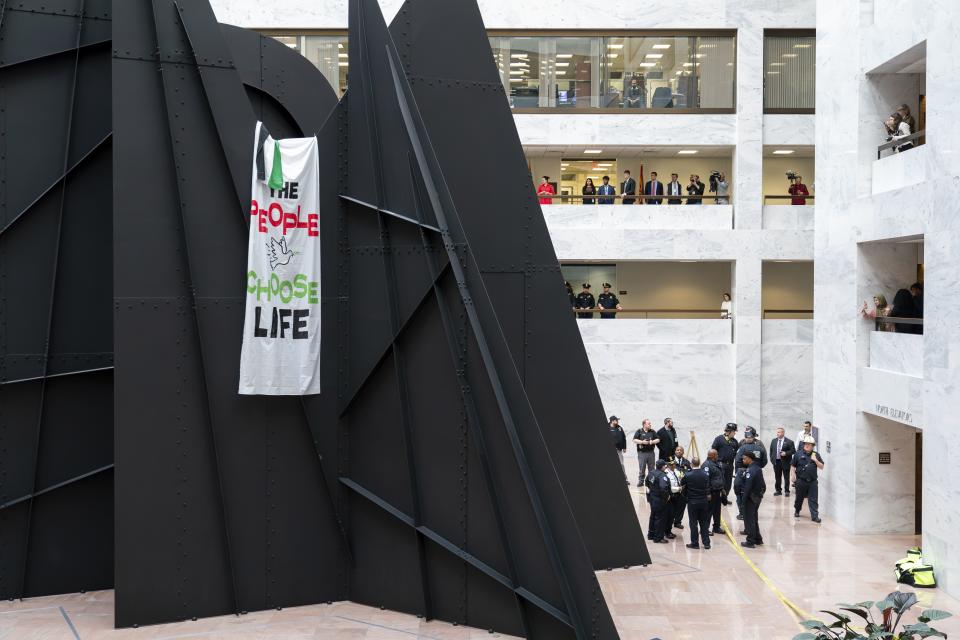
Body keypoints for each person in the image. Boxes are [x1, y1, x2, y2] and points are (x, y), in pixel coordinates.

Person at [734, 426, 767, 520]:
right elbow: (764, 461)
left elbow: (737, 461)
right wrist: (757, 468)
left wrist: (738, 471)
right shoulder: (760, 447)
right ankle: (751, 512)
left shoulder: (743, 447)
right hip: (755, 472)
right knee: (754, 491)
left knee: (740, 492)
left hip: (742, 472)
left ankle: (742, 513)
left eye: (748, 437)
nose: (747, 438)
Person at [681, 458, 713, 549]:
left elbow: (682, 484)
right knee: (704, 523)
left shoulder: (688, 475)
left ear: (691, 464)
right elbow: (708, 487)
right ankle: (706, 543)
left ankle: (695, 543)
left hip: (692, 502)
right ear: (699, 463)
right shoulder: (705, 474)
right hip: (703, 502)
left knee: (693, 523)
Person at [792, 434, 824, 523]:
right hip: (801, 481)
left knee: (813, 499)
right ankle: (797, 510)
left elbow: (821, 467)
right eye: (805, 443)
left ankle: (815, 516)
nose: (806, 445)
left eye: (809, 444)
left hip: (813, 482)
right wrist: (793, 475)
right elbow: (793, 465)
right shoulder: (798, 454)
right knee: (799, 498)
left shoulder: (816, 455)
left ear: (813, 446)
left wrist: (816, 460)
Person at [740, 450, 766, 548]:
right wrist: (760, 495)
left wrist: (743, 501)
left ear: (749, 459)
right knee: (754, 519)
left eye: (744, 458)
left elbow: (748, 487)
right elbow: (763, 485)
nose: (743, 460)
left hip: (750, 498)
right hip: (757, 498)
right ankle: (758, 539)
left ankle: (750, 541)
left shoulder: (750, 470)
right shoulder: (758, 468)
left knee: (749, 520)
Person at [710, 423, 739, 505]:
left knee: (728, 484)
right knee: (720, 482)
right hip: (720, 464)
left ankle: (724, 498)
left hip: (730, 465)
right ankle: (717, 499)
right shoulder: (719, 439)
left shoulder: (735, 442)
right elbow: (713, 451)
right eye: (734, 431)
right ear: (729, 431)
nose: (735, 433)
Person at [645, 460, 672, 543]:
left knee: (653, 516)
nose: (666, 467)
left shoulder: (651, 472)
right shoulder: (662, 476)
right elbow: (663, 488)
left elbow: (646, 483)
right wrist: (666, 497)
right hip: (659, 500)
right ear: (663, 466)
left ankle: (651, 534)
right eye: (665, 466)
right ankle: (658, 538)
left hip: (652, 498)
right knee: (660, 519)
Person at [703, 449, 726, 534]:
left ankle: (716, 527)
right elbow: (706, 481)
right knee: (708, 512)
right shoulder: (706, 465)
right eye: (716, 455)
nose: (717, 456)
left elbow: (719, 477)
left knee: (717, 511)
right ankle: (705, 529)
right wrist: (708, 493)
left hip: (717, 491)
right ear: (712, 456)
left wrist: (722, 488)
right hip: (711, 493)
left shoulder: (716, 463)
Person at [769, 427, 796, 496]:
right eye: (777, 432)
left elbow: (793, 451)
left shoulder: (789, 442)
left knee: (786, 477)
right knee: (777, 477)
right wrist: (772, 459)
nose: (778, 433)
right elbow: (771, 451)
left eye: (780, 432)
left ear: (783, 433)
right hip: (776, 462)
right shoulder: (773, 441)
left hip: (785, 462)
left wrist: (786, 453)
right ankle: (778, 490)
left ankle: (787, 491)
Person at [633, 419, 660, 488]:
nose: (650, 425)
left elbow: (658, 439)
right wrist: (642, 442)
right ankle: (641, 481)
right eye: (649, 424)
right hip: (642, 453)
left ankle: (651, 481)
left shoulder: (652, 431)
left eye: (650, 423)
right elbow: (634, 440)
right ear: (644, 424)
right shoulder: (639, 431)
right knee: (642, 468)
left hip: (651, 453)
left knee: (651, 468)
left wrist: (653, 441)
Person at [671, 446, 691, 529]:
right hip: (673, 487)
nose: (679, 451)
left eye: (680, 450)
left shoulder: (686, 462)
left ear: (683, 452)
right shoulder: (670, 460)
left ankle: (678, 522)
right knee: (672, 505)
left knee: (681, 506)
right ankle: (670, 520)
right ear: (675, 451)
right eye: (677, 450)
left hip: (683, 488)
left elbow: (689, 472)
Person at [663, 459, 682, 538]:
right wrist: (679, 488)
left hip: (677, 496)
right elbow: (670, 487)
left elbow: (680, 479)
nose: (673, 466)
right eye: (671, 465)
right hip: (671, 497)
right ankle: (667, 532)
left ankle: (669, 530)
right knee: (669, 515)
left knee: (673, 514)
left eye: (674, 464)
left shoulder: (677, 472)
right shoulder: (666, 474)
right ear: (668, 465)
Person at [609, 416, 628, 484]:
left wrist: (624, 447)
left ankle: (625, 479)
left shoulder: (619, 428)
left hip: (619, 450)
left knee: (621, 464)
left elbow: (624, 437)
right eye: (616, 420)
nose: (617, 421)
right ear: (612, 421)